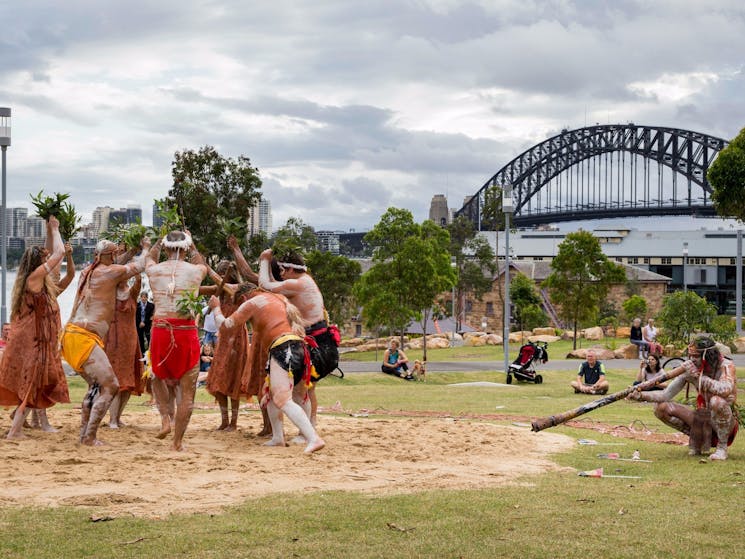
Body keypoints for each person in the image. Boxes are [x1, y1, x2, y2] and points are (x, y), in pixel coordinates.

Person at [208, 289, 325, 453]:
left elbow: (226, 325)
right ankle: (278, 437)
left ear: (243, 297)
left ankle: (313, 438)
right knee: (276, 395)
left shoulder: (252, 302)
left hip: (283, 347)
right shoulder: (279, 297)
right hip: (298, 345)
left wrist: (215, 308)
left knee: (282, 399)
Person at [60, 236, 150, 446]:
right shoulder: (109, 272)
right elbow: (139, 266)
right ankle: (90, 436)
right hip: (84, 338)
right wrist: (145, 247)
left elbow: (118, 265)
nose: (118, 256)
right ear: (109, 256)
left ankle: (84, 434)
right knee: (111, 386)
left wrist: (128, 251)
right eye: (115, 254)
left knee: (95, 386)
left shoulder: (88, 272)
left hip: (70, 336)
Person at [0, 216, 68, 438]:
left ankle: (20, 427)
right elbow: (58, 255)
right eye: (43, 258)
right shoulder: (35, 278)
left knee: (36, 382)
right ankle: (15, 431)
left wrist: (49, 232)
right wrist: (57, 230)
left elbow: (51, 253)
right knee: (31, 383)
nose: (47, 259)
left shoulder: (33, 277)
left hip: (35, 339)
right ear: (38, 263)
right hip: (33, 341)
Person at [258, 247, 339, 428]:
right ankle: (310, 427)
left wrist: (264, 260)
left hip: (317, 343)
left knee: (303, 388)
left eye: (283, 272)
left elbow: (264, 285)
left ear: (291, 269)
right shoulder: (302, 281)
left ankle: (307, 431)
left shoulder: (298, 284)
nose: (281, 276)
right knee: (305, 388)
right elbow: (272, 285)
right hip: (316, 339)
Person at [145, 230, 211, 451]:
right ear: (186, 247)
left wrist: (156, 242)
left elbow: (149, 258)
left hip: (161, 330)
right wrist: (192, 246)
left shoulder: (154, 271)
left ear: (165, 247)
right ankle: (177, 443)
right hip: (185, 331)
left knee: (157, 376)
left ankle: (165, 418)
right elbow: (203, 264)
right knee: (187, 394)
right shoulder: (195, 271)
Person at [628, 336, 738, 460]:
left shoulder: (726, 365)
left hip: (725, 423)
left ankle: (722, 448)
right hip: (702, 419)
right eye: (690, 356)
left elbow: (725, 390)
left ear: (708, 355)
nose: (692, 360)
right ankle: (698, 440)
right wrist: (641, 395)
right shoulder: (691, 369)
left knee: (716, 401)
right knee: (661, 407)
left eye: (696, 356)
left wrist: (698, 378)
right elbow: (665, 394)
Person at [204, 261, 249, 432]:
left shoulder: (239, 289)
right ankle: (224, 420)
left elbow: (224, 284)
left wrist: (206, 268)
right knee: (219, 378)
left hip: (237, 337)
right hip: (223, 338)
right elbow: (205, 288)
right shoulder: (221, 293)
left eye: (224, 274)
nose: (221, 278)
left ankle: (234, 422)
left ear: (230, 274)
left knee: (234, 378)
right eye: (220, 274)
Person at [105, 272, 145, 429]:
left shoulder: (132, 292)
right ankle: (112, 419)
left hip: (130, 339)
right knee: (116, 381)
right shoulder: (109, 292)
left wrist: (138, 262)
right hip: (113, 340)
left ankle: (118, 417)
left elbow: (139, 281)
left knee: (129, 381)